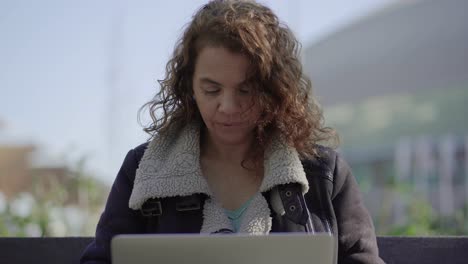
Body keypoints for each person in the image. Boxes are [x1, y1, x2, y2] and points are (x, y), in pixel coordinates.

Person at [81, 0, 385, 263]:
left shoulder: (325, 174)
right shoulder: (141, 170)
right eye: (211, 89)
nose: (228, 106)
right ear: (189, 88)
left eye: (246, 90)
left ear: (273, 90)